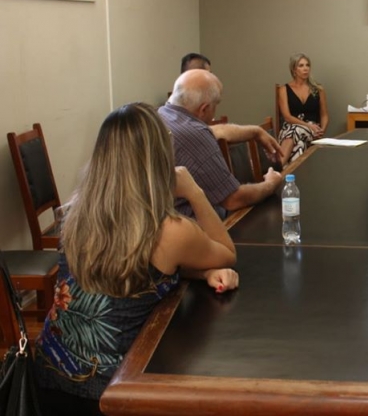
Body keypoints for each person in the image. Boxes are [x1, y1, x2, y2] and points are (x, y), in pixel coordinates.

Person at [33, 102, 240, 416]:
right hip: (113, 388)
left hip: (49, 369)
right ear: (159, 156)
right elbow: (227, 251)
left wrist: (197, 273)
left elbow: (127, 271)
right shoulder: (169, 230)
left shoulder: (75, 212)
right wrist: (194, 191)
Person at [160, 69, 283, 218]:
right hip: (194, 229)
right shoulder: (195, 134)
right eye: (215, 106)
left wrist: (255, 131)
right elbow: (233, 199)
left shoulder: (163, 115)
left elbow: (215, 131)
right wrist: (270, 184)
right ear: (204, 109)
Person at [277, 53, 329, 164]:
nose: (305, 69)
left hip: (312, 130)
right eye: (301, 66)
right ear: (294, 69)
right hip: (290, 128)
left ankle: (278, 168)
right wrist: (306, 125)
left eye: (307, 65)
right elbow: (287, 117)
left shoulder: (318, 89)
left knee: (294, 134)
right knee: (298, 142)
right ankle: (292, 174)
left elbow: (324, 114)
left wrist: (322, 130)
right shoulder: (284, 89)